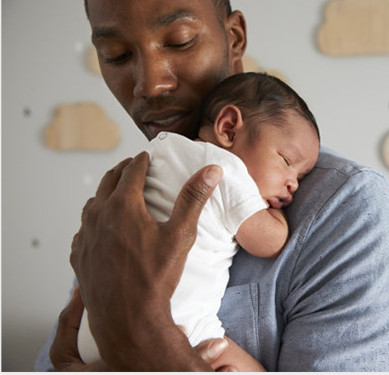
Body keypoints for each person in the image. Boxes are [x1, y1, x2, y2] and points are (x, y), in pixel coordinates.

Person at [36, 0, 389, 371]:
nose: (150, 84)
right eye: (117, 54)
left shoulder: (348, 211)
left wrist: (150, 340)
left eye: (181, 40)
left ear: (234, 38)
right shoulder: (125, 200)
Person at [76, 72, 321, 364]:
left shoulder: (161, 150)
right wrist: (276, 214)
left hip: (93, 331)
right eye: (286, 161)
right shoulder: (226, 170)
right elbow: (269, 242)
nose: (293, 183)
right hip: (180, 328)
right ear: (229, 129)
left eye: (300, 177)